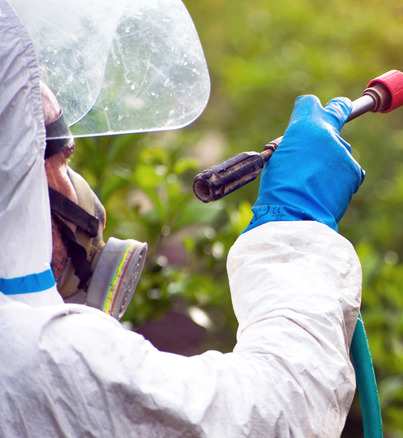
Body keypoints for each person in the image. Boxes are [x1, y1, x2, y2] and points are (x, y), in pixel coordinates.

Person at [0, 2, 365, 436]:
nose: (75, 192)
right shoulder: (36, 359)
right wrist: (294, 228)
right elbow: (277, 408)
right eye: (59, 162)